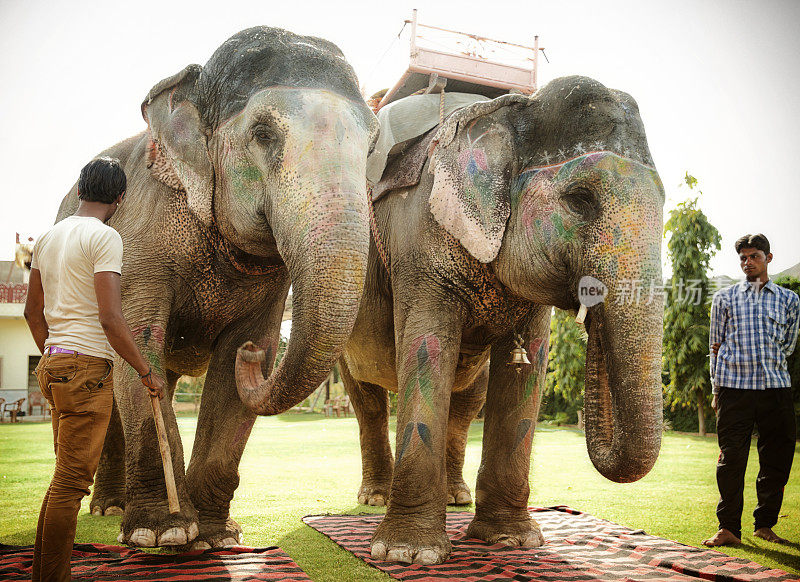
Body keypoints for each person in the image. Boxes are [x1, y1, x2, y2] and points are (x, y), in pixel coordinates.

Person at [24, 157, 166, 581]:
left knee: (63, 480)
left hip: (54, 365)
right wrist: (145, 371)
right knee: (70, 485)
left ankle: (47, 573)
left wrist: (56, 354)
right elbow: (110, 318)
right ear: (120, 198)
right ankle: (51, 578)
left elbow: (34, 313)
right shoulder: (105, 237)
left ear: (81, 189)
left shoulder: (48, 237)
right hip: (86, 370)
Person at [702, 233, 799, 547]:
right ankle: (728, 528)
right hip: (735, 390)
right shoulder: (725, 298)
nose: (747, 262)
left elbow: (788, 345)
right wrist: (717, 390)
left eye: (754, 256)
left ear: (768, 258)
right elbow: (714, 346)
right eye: (743, 257)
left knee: (777, 459)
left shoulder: (789, 299)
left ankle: (765, 525)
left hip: (776, 390)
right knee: (730, 461)